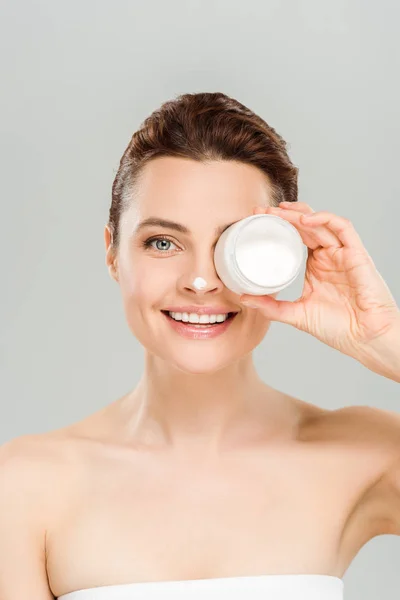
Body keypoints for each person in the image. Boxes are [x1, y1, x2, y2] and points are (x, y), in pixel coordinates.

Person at [1, 92, 399, 600]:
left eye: (235, 242)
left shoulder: (365, 452)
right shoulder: (26, 483)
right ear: (113, 254)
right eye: (163, 242)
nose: (200, 281)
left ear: (287, 256)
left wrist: (386, 339)